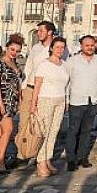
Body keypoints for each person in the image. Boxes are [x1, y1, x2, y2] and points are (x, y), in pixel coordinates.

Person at [18, 21, 58, 166]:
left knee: (41, 124)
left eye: (41, 30)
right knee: (24, 122)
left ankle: (38, 154)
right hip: (30, 87)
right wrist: (23, 87)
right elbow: (28, 67)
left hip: (45, 90)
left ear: (50, 32)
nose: (38, 33)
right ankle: (22, 154)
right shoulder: (35, 48)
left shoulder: (58, 48)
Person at [31, 37, 70, 177]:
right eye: (57, 47)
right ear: (51, 48)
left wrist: (66, 100)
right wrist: (33, 104)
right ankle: (40, 161)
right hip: (45, 99)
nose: (60, 50)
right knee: (45, 131)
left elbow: (67, 85)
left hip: (60, 99)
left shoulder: (65, 65)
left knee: (54, 131)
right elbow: (37, 85)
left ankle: (47, 158)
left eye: (62, 47)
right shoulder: (44, 64)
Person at [64, 36, 97, 172]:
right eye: (87, 45)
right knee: (73, 130)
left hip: (92, 100)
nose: (90, 47)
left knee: (87, 131)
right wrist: (67, 100)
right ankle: (71, 159)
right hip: (76, 100)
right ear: (81, 46)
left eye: (92, 45)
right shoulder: (72, 61)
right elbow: (67, 82)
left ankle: (82, 157)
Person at [0, 35, 23, 174]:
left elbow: (18, 84)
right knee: (8, 130)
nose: (14, 52)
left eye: (17, 51)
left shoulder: (15, 64)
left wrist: (19, 99)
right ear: (6, 48)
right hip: (3, 99)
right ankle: (0, 161)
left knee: (1, 132)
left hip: (12, 101)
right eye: (12, 49)